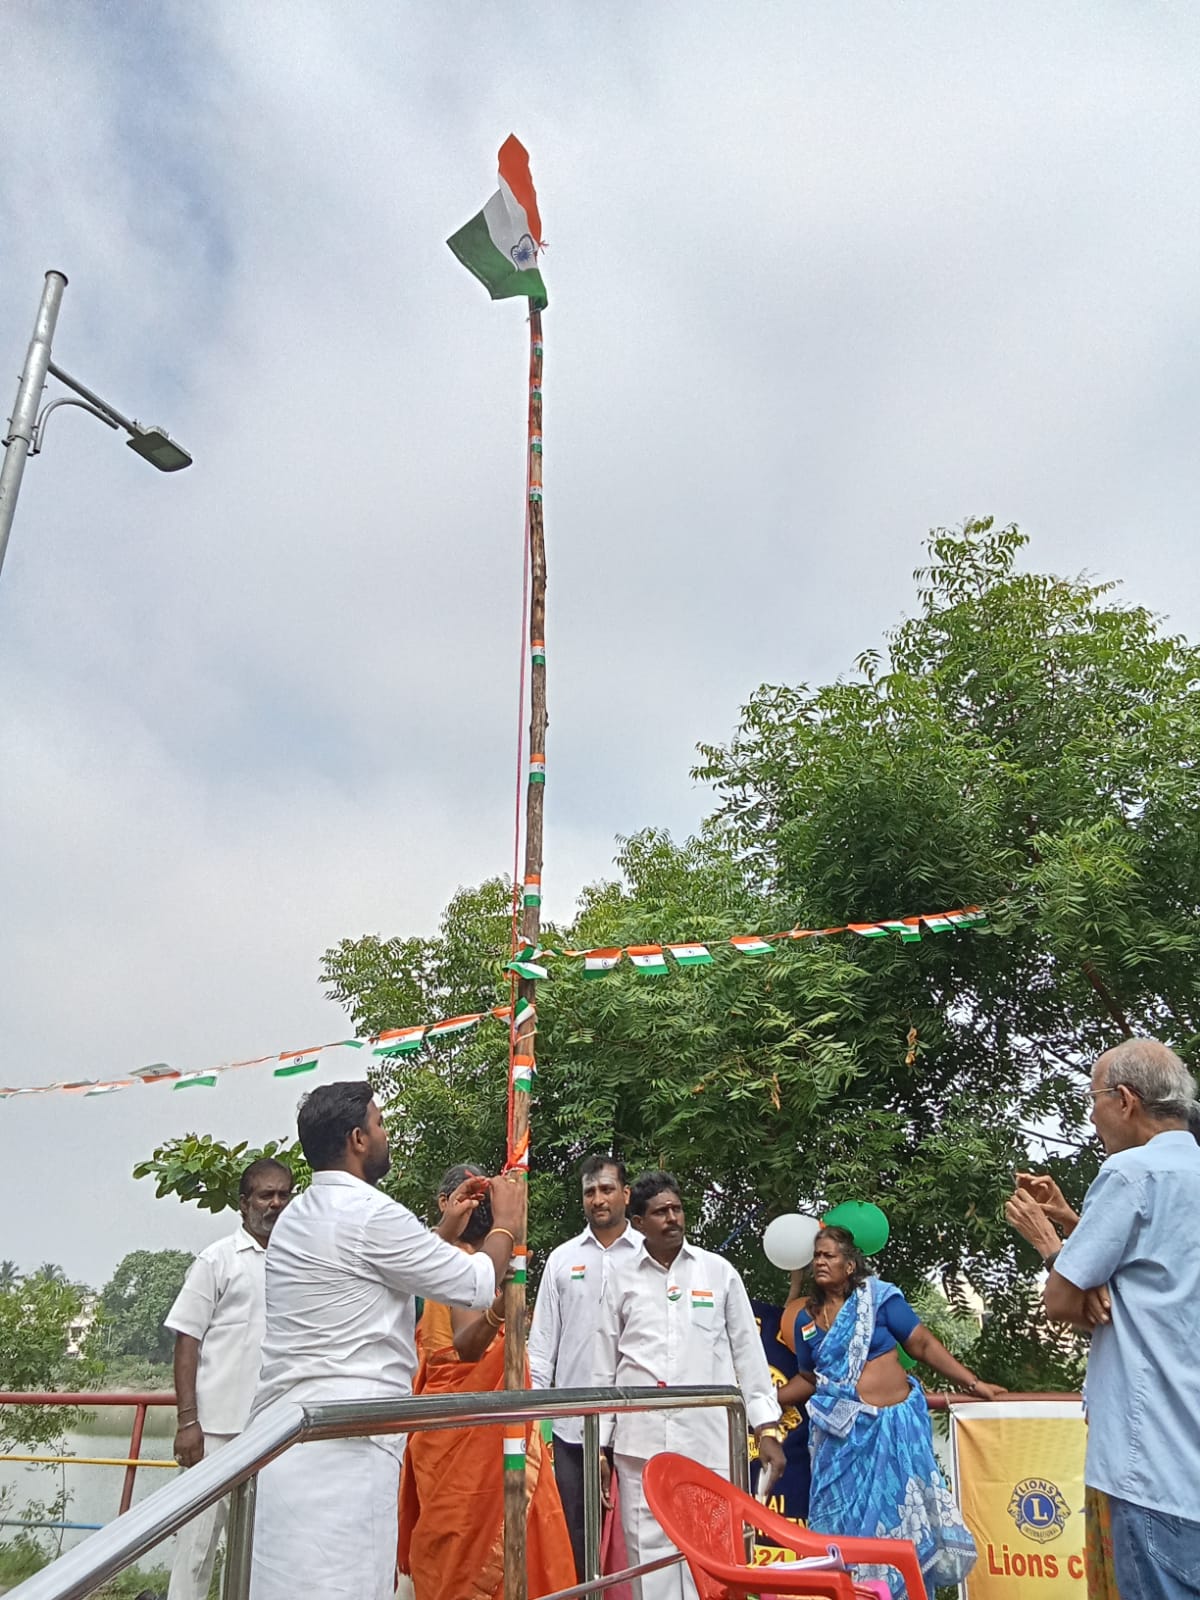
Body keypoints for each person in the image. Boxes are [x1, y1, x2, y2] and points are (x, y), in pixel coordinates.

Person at [247, 1082, 525, 1600]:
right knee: (343, 1586)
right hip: (345, 1448)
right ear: (357, 1139)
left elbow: (375, 1269)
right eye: (379, 1124)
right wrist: (506, 1224)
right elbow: (475, 1282)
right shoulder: (373, 1214)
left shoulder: (297, 1218)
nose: (386, 1133)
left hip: (287, 1437)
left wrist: (442, 1231)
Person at [1008, 1038, 1200, 1600]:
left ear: (1124, 1100)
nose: (1091, 1117)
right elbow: (1162, 1272)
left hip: (1154, 1467)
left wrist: (1049, 1243)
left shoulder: (1131, 1173)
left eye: (1092, 1100)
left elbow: (1062, 1301)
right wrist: (1077, 1224)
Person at [777, 1226, 1004, 1600]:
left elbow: (922, 1344)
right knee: (837, 1528)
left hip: (894, 1433)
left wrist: (972, 1383)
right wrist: (770, 1400)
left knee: (901, 1530)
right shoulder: (806, 1320)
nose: (820, 1262)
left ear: (850, 1265)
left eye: (829, 1255)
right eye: (816, 1256)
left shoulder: (879, 1299)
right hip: (840, 1444)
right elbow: (809, 1378)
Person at [594, 1171, 786, 1600]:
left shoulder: (718, 1272)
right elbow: (603, 1364)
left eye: (677, 1209)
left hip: (708, 1442)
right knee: (650, 1560)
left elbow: (749, 1355)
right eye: (660, 1212)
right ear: (638, 1223)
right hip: (641, 1445)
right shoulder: (619, 1278)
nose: (672, 1218)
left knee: (712, 1554)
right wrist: (601, 1444)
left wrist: (766, 1428)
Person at [398, 1163, 576, 1600]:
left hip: (487, 1429)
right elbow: (466, 1348)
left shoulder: (478, 1265)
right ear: (446, 1204)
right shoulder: (453, 1261)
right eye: (473, 1196)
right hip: (457, 1432)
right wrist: (501, 1308)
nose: (479, 1206)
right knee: (462, 1545)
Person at [164, 1158, 293, 1600]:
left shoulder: (298, 1262)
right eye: (265, 1195)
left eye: (283, 1195)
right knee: (197, 1550)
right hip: (215, 1434)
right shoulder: (217, 1259)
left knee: (257, 1552)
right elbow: (187, 1339)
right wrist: (187, 1421)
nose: (275, 1204)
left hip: (274, 1433)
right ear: (243, 1203)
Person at [529, 1153, 641, 1579]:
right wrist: (530, 1422)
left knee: (634, 1538)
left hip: (634, 1425)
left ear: (626, 1194)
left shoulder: (648, 1257)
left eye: (607, 1189)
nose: (598, 1199)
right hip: (572, 1428)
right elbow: (542, 1348)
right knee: (575, 1538)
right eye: (590, 1192)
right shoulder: (562, 1259)